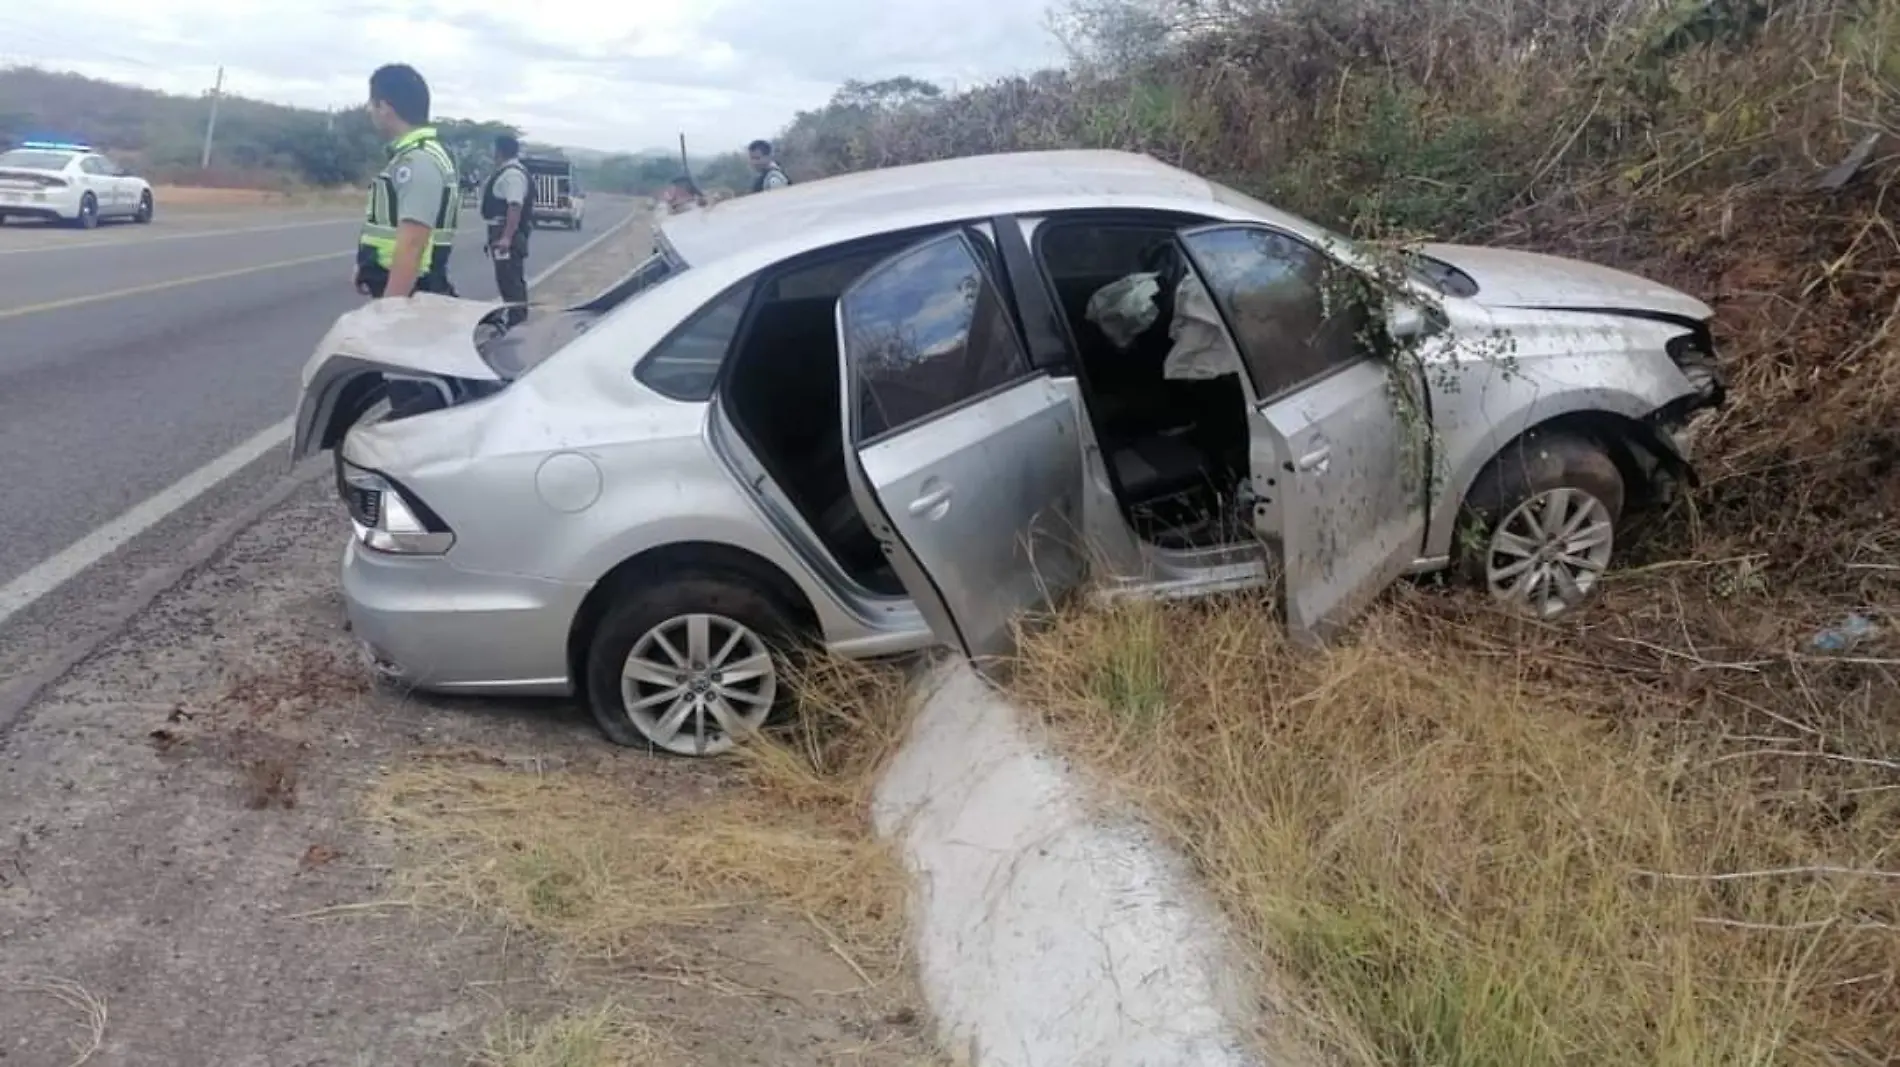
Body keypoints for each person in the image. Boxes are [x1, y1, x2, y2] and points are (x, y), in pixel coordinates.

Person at [354, 63, 460, 299]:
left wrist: (391, 309)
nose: (370, 111)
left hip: (414, 294)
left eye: (373, 104)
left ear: (385, 107)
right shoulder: (410, 155)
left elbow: (413, 243)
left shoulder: (417, 160)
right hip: (407, 290)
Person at [481, 134, 532, 324]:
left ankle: (517, 323)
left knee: (511, 282)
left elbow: (515, 206)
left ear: (499, 150)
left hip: (506, 233)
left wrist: (506, 238)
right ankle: (514, 320)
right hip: (501, 230)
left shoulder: (512, 174)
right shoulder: (507, 171)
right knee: (505, 279)